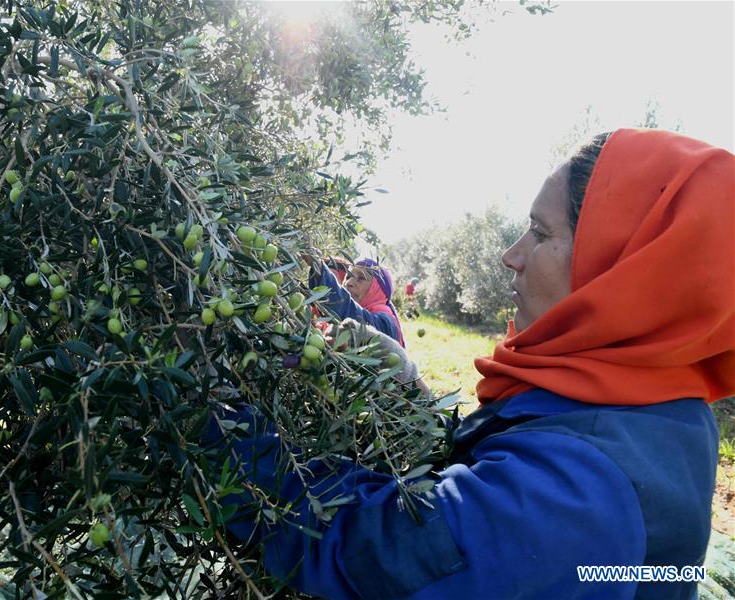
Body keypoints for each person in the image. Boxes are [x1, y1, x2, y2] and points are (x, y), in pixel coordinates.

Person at [208, 129, 734, 599]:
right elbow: (505, 476)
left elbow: (382, 552)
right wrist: (411, 391)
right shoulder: (656, 404)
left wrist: (214, 428)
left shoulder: (580, 494)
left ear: (620, 267)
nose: (512, 254)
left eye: (541, 233)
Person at [305, 255, 406, 347]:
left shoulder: (385, 321)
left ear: (376, 289)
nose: (349, 282)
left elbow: (355, 317)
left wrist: (318, 267)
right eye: (348, 277)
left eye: (361, 278)